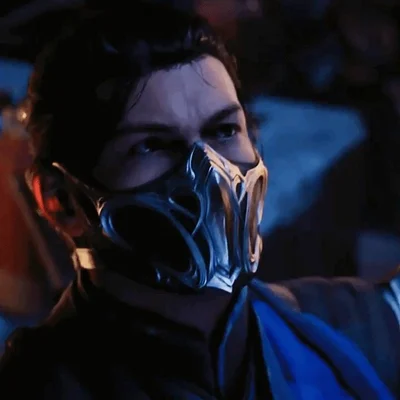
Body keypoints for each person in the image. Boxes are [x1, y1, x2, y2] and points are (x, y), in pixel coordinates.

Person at [0, 3, 399, 399]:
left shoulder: (334, 326)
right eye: (151, 145)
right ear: (61, 200)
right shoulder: (38, 388)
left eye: (224, 130)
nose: (210, 170)